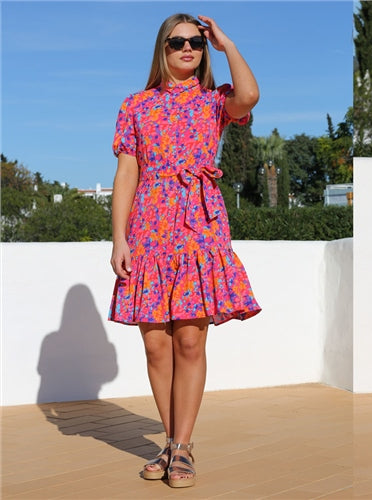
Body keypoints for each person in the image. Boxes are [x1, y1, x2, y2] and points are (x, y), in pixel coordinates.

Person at [109, 13, 261, 489]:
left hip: (199, 226)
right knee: (156, 344)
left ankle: (182, 447)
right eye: (177, 42)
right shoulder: (136, 106)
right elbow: (126, 174)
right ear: (163, 49)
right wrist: (119, 238)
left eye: (195, 41)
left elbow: (249, 96)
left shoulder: (214, 102)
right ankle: (172, 441)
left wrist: (226, 43)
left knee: (190, 341)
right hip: (149, 227)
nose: (188, 48)